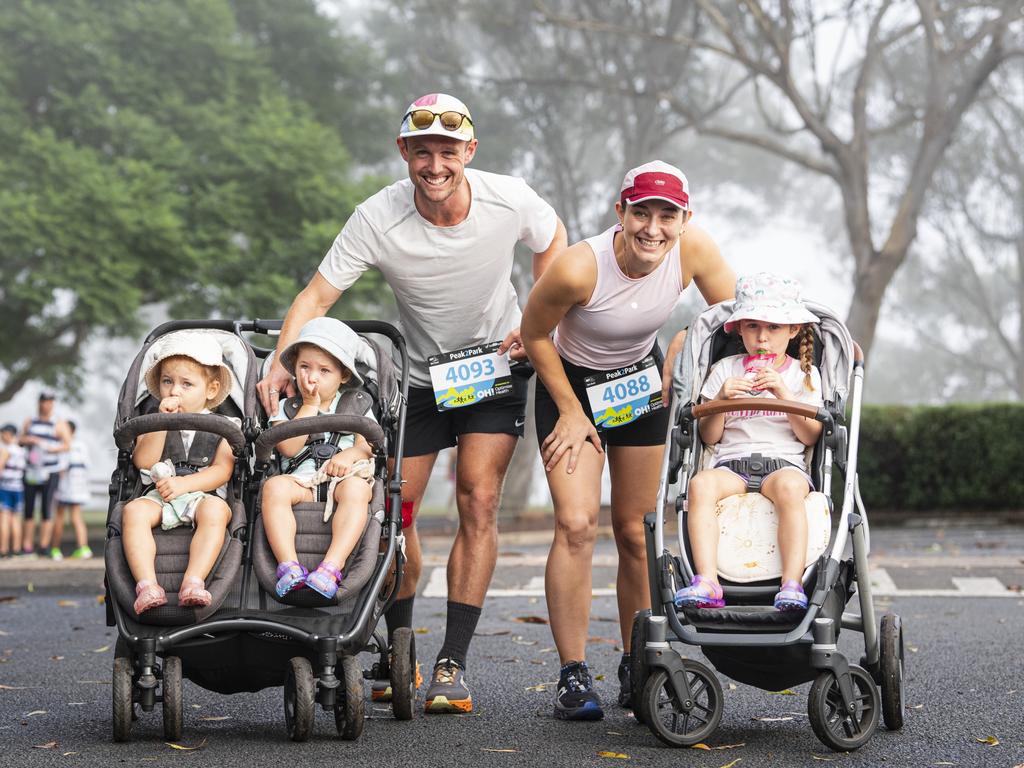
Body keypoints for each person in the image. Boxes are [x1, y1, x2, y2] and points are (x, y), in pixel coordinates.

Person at [258, 92, 567, 714]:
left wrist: (539, 318)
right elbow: (317, 296)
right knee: (393, 510)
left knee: (479, 498)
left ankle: (452, 663)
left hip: (493, 369)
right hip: (419, 378)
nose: (435, 165)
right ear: (404, 152)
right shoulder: (377, 216)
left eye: (447, 152)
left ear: (468, 152)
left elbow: (554, 238)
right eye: (421, 151)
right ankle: (398, 643)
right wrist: (282, 361)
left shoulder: (509, 197)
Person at [521, 161, 734, 721]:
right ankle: (572, 674)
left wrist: (685, 337)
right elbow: (534, 333)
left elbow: (732, 317)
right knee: (575, 524)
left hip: (638, 385)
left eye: (668, 216)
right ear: (622, 212)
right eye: (643, 212)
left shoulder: (694, 251)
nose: (654, 228)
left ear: (685, 220)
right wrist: (569, 409)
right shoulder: (577, 268)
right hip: (570, 385)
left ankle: (634, 662)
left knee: (638, 533)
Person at [673, 272, 823, 613]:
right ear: (739, 330)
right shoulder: (726, 370)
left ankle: (791, 583)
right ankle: (708, 580)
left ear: (793, 330)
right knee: (700, 486)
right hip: (732, 463)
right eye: (753, 327)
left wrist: (783, 394)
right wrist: (722, 402)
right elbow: (709, 436)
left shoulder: (804, 375)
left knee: (788, 490)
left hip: (784, 463)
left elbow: (811, 436)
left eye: (772, 328)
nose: (762, 339)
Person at [122, 333, 236, 614]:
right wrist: (162, 422)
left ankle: (193, 581)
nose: (175, 391)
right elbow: (144, 461)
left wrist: (186, 484)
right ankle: (147, 585)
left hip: (201, 494)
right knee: (132, 512)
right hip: (159, 495)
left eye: (187, 384)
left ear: (211, 390)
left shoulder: (226, 425)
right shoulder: (151, 422)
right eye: (167, 382)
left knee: (217, 513)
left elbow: (222, 470)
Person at [263, 318, 376, 600]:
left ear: (343, 376)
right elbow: (288, 448)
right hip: (300, 481)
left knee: (358, 489)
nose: (311, 377)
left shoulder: (356, 405)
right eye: (304, 367)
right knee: (273, 487)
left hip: (342, 480)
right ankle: (288, 566)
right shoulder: (287, 408)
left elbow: (368, 445)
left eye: (324, 370)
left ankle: (331, 568)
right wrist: (310, 407)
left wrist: (351, 454)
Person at [20, 393, 72, 557]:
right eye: (43, 402)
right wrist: (28, 440)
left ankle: (43, 545)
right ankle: (26, 546)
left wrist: (49, 447)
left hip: (50, 472)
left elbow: (67, 445)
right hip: (31, 470)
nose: (46, 405)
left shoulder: (58, 422)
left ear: (52, 404)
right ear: (39, 403)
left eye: (49, 402)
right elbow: (19, 439)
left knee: (46, 509)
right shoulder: (31, 420)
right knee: (28, 509)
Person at [52, 421, 93, 560]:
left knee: (59, 516)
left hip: (66, 486)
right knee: (76, 517)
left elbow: (60, 468)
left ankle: (55, 549)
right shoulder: (82, 446)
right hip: (79, 486)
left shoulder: (63, 446)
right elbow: (87, 465)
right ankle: (83, 548)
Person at [0, 424, 26, 558]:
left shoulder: (6, 450)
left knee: (4, 519)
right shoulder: (21, 451)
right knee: (15, 520)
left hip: (5, 488)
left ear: (8, 434)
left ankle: (3, 550)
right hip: (18, 488)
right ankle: (16, 548)